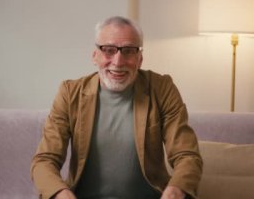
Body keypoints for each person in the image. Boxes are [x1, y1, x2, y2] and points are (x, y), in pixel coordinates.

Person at [30, 16, 203, 199]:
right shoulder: (69, 93)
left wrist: (175, 190)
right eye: (109, 50)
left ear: (140, 58)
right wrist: (60, 194)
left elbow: (187, 156)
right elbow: (44, 160)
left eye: (128, 51)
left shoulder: (162, 89)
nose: (118, 61)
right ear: (95, 55)